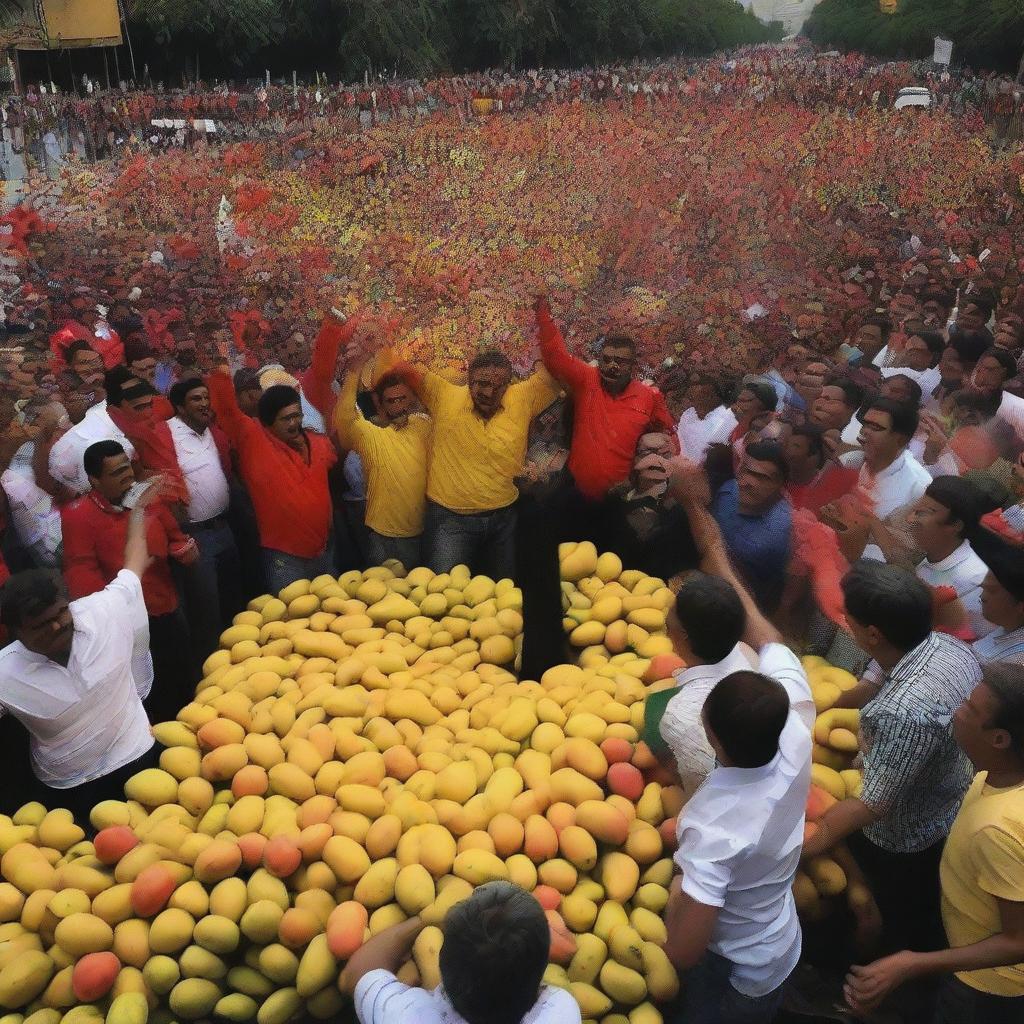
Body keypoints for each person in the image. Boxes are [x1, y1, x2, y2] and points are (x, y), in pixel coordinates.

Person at [662, 457, 815, 1023]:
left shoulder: (713, 822)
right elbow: (770, 637)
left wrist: (676, 893)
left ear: (708, 733)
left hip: (737, 971)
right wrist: (717, 556)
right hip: (781, 939)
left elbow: (683, 951)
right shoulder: (795, 720)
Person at [804, 561, 983, 956]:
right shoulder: (943, 646)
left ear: (872, 633)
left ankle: (878, 975)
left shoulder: (899, 712)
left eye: (847, 618)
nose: (843, 624)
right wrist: (815, 712)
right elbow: (875, 685)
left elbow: (874, 803)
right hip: (951, 795)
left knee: (891, 913)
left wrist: (809, 843)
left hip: (907, 834)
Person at [845, 662, 1024, 1022]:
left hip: (984, 988)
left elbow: (1018, 941)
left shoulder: (997, 829)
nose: (958, 709)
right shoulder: (996, 774)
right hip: (963, 940)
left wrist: (912, 964)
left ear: (999, 738)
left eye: (970, 708)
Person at [0, 479, 162, 820]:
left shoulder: (103, 610)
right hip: (72, 787)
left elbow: (132, 565)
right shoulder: (5, 672)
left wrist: (138, 511)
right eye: (42, 626)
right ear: (16, 634)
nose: (58, 626)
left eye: (61, 612)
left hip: (137, 758)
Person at [61, 441, 198, 723]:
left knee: (184, 678)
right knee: (150, 697)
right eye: (117, 473)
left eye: (128, 468)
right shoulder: (78, 516)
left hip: (167, 605)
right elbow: (82, 576)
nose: (127, 476)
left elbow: (174, 537)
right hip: (127, 626)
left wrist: (183, 550)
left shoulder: (146, 496)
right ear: (94, 480)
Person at [393, 348, 557, 578]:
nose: (489, 393)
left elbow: (558, 369)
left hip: (505, 520)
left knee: (504, 597)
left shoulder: (523, 397)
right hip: (450, 522)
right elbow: (400, 367)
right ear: (468, 381)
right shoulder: (444, 394)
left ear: (508, 385)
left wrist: (539, 358)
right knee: (444, 596)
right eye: (481, 384)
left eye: (498, 386)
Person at [340, 881, 581, 1024]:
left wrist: (422, 920)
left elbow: (354, 975)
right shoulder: (561, 1010)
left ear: (441, 959)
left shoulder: (408, 1015)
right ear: (543, 968)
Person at [208, 365, 337, 593]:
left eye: (296, 416)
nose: (293, 423)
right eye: (285, 419)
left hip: (324, 551)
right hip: (285, 560)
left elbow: (322, 377)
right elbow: (228, 411)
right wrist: (220, 373)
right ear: (268, 423)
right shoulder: (255, 443)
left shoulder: (316, 442)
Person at [535, 296, 673, 500]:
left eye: (620, 361)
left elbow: (666, 435)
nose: (612, 366)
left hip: (618, 499)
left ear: (633, 366)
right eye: (606, 359)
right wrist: (544, 319)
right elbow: (556, 357)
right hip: (574, 495)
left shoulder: (648, 397)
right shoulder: (587, 379)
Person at [658, 570, 749, 797]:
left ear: (682, 634)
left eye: (672, 612)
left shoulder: (672, 713)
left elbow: (694, 789)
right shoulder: (749, 656)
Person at [167, 377, 241, 657]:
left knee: (233, 597)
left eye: (205, 398)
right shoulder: (168, 435)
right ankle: (212, 664)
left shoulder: (212, 431)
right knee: (207, 608)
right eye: (196, 399)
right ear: (180, 407)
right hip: (195, 535)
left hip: (224, 526)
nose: (204, 404)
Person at [335, 357, 430, 569]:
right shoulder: (370, 436)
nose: (398, 406)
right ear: (380, 404)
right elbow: (344, 418)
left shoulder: (423, 427)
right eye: (391, 401)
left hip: (420, 533)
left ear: (413, 398)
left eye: (402, 399)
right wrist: (354, 372)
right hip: (381, 537)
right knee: (383, 596)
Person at [597, 432, 697, 579]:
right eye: (644, 452)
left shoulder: (675, 511)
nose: (656, 459)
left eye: (664, 454)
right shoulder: (618, 495)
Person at [711, 440, 792, 614]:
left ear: (781, 485)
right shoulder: (727, 490)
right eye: (746, 471)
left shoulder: (777, 532)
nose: (747, 482)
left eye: (762, 477)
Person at [909, 477, 995, 640]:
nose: (911, 519)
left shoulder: (976, 578)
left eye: (923, 513)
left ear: (956, 525)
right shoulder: (928, 558)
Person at [971, 530, 1024, 666]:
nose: (982, 597)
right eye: (983, 588)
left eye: (992, 591)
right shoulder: (1007, 625)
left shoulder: (1016, 665)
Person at [782, 423, 858, 516]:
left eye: (795, 446)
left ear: (813, 457)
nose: (786, 451)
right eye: (786, 444)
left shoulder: (837, 485)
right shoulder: (773, 478)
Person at [675, 375, 737, 464]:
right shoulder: (688, 415)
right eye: (694, 396)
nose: (699, 400)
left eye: (706, 395)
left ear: (717, 398)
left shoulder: (727, 421)